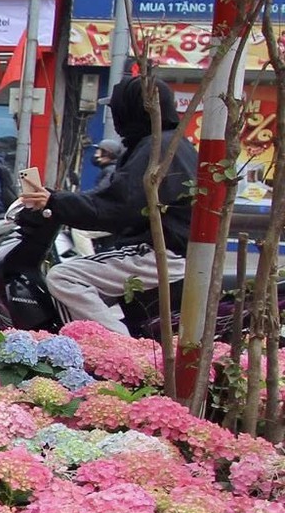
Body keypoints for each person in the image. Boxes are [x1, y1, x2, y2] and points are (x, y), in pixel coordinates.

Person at [26, 76, 196, 334]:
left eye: (116, 111)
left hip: (160, 251)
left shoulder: (155, 147)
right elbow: (113, 197)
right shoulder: (171, 143)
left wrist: (55, 202)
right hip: (175, 249)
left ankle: (117, 351)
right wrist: (58, 198)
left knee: (64, 277)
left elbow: (117, 205)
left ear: (133, 110)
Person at [69, 138, 125, 257]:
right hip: (114, 216)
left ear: (107, 153)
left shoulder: (110, 171)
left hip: (114, 219)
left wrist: (75, 197)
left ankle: (88, 262)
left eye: (98, 151)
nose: (95, 154)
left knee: (79, 230)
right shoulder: (111, 170)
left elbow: (100, 191)